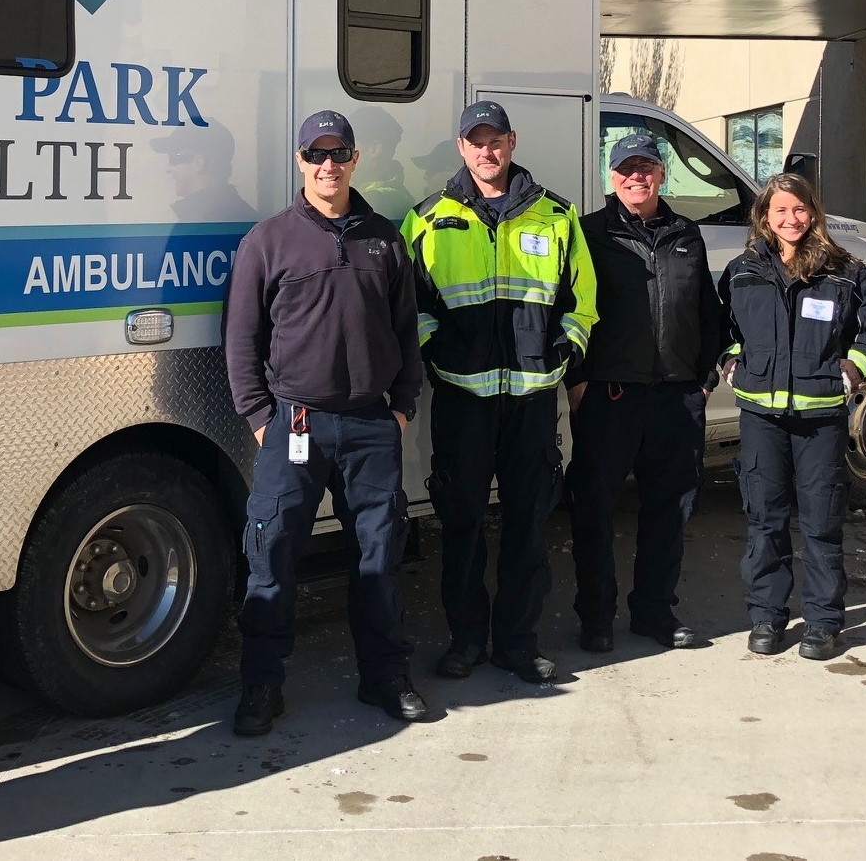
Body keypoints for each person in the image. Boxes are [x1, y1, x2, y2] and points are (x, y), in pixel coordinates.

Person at [222, 109, 426, 735]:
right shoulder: (270, 240)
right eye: (316, 155)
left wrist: (399, 408)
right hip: (296, 425)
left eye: (339, 154)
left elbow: (406, 332)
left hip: (370, 426)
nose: (328, 165)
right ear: (300, 162)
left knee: (377, 558)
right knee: (273, 555)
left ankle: (384, 677)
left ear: (356, 160)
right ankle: (261, 685)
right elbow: (240, 338)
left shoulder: (385, 239)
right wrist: (261, 418)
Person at [403, 100, 597, 683]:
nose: (487, 151)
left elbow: (581, 299)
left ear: (513, 144)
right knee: (460, 524)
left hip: (534, 399)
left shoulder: (557, 216)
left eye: (497, 141)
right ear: (461, 148)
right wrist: (436, 353)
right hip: (462, 399)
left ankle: (517, 641)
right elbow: (410, 307)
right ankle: (466, 641)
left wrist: (564, 352)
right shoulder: (426, 219)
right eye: (476, 141)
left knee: (527, 524)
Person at [565, 132, 727, 654]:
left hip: (676, 398)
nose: (637, 176)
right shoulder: (591, 233)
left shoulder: (687, 235)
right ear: (611, 178)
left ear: (661, 174)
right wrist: (577, 379)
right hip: (610, 396)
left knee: (670, 510)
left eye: (646, 167)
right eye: (626, 169)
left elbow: (708, 311)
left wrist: (704, 381)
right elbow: (566, 308)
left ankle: (655, 613)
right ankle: (595, 617)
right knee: (593, 511)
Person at [719, 172, 866, 661]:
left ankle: (822, 622)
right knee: (765, 520)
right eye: (780, 211)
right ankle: (768, 618)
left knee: (820, 523)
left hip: (821, 421)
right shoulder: (743, 269)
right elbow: (721, 324)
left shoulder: (845, 270)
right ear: (764, 217)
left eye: (800, 209)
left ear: (813, 213)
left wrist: (854, 369)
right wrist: (731, 361)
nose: (791, 219)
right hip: (761, 418)